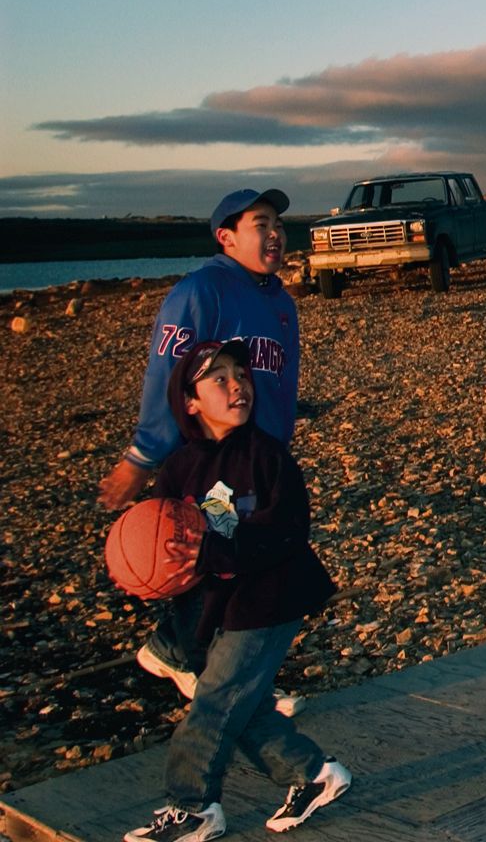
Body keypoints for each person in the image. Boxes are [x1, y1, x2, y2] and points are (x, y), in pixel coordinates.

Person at [125, 339, 350, 842]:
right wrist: (143, 573)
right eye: (219, 378)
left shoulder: (267, 458)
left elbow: (285, 532)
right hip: (215, 606)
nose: (237, 386)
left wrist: (210, 553)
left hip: (271, 599)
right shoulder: (180, 470)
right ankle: (313, 774)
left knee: (214, 704)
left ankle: (193, 807)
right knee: (241, 709)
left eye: (241, 375)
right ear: (190, 400)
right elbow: (166, 544)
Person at [97, 189, 304, 713]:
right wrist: (142, 457)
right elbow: (168, 377)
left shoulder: (280, 302)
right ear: (226, 236)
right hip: (213, 464)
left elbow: (282, 382)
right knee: (223, 562)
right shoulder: (200, 291)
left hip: (260, 457)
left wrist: (278, 447)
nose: (275, 232)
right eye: (261, 223)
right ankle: (185, 658)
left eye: (279, 222)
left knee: (254, 563)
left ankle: (226, 674)